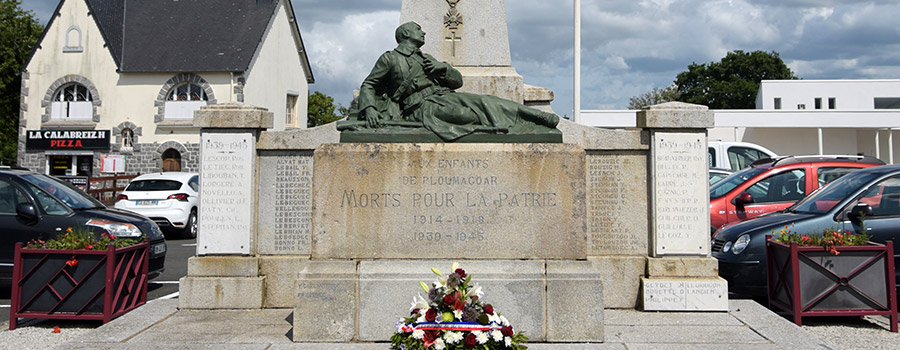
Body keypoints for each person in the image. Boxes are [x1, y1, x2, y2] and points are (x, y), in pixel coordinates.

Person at [353, 21, 559, 141]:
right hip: (421, 107)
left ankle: (538, 118)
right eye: (418, 29)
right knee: (466, 116)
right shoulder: (390, 58)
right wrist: (370, 108)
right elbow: (369, 84)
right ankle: (506, 126)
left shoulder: (425, 58)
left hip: (444, 97)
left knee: (487, 101)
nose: (423, 32)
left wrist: (444, 68)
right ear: (406, 34)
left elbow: (457, 81)